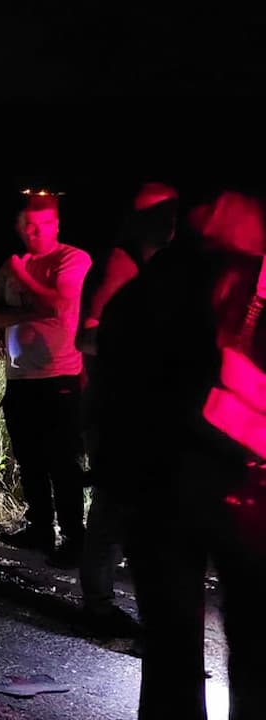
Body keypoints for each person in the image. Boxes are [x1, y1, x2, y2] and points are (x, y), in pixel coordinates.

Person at [99, 189, 266, 719]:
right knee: (256, 647)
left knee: (172, 652)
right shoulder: (234, 286)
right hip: (229, 488)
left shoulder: (141, 292)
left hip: (154, 488)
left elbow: (112, 387)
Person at [76, 182, 178, 637]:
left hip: (134, 408)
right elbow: (88, 337)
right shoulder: (122, 264)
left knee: (131, 507)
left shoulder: (155, 266)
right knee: (115, 505)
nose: (175, 225)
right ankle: (98, 607)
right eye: (166, 215)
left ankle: (117, 604)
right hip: (115, 408)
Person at [0, 191, 92, 567]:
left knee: (62, 461)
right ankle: (39, 527)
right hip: (20, 376)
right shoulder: (12, 264)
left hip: (59, 375)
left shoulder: (71, 259)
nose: (33, 232)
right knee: (29, 458)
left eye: (41, 225)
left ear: (56, 225)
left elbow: (59, 304)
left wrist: (21, 279)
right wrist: (29, 309)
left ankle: (73, 537)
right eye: (27, 226)